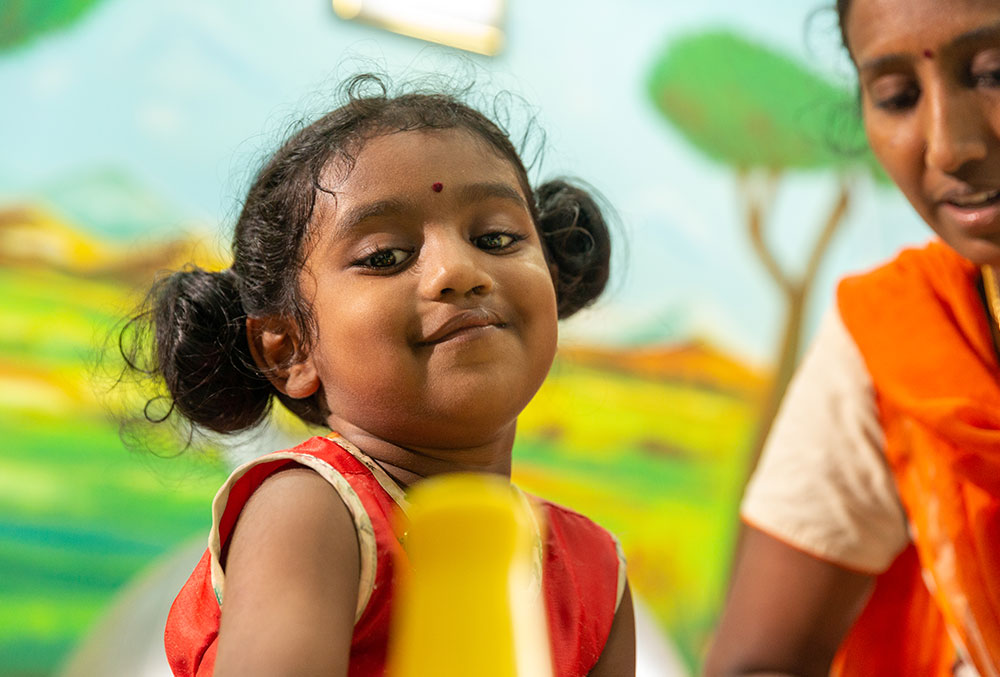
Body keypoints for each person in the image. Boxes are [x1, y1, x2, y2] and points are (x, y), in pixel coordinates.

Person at [127, 75, 635, 676]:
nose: (458, 270)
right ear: (289, 349)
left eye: (495, 237)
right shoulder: (312, 511)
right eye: (386, 257)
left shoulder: (597, 574)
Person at [705, 0, 1000, 675]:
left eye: (994, 73)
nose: (949, 144)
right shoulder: (900, 336)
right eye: (896, 96)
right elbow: (756, 663)